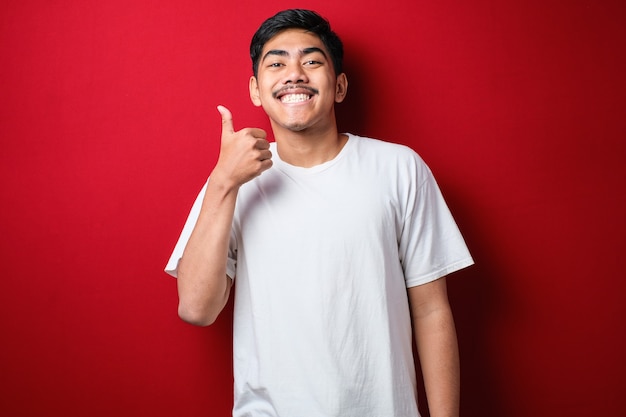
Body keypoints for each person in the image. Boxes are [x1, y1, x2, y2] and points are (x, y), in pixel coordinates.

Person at [165, 8, 473, 417]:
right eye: (277, 63)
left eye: (311, 61)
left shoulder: (399, 169)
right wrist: (224, 182)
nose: (294, 73)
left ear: (340, 86)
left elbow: (432, 310)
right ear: (257, 90)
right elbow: (196, 309)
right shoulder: (231, 182)